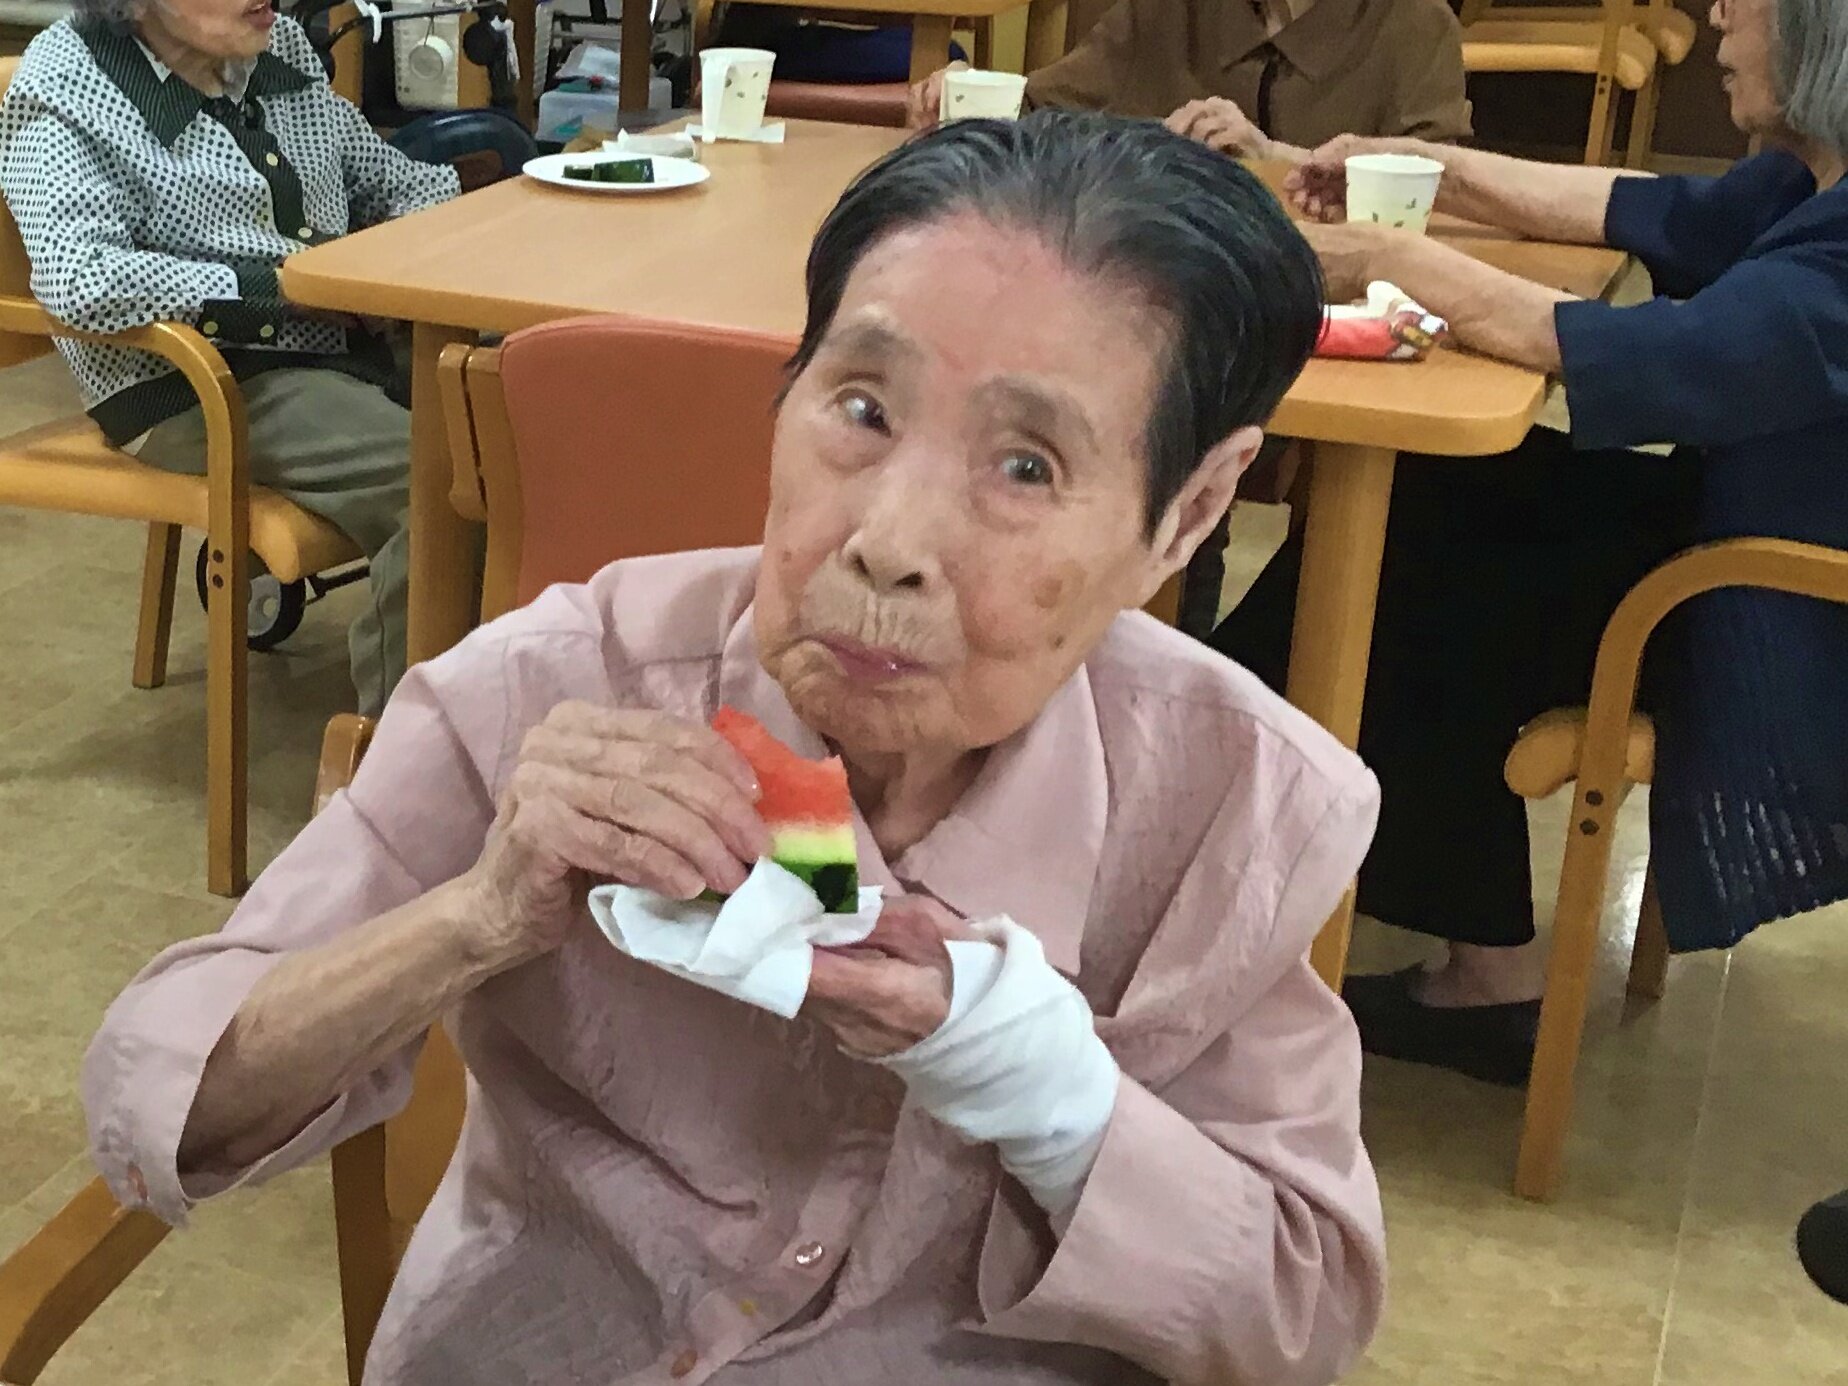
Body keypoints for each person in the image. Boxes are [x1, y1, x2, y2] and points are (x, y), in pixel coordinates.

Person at [82, 114, 1386, 1385]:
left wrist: (1038, 1083)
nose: (887, 542)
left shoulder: (1237, 808)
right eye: (862, 407)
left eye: (1028, 468)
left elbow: (1295, 1328)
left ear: (1189, 515)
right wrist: (473, 918)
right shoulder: (560, 683)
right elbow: (159, 1101)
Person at [1217, 0, 1848, 1084]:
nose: (1719, 15)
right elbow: (1636, 205)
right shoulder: (1810, 184)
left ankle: (1242, 825)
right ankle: (1236, 800)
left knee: (1427, 557)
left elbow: (1623, 349)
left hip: (1774, 623)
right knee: (1439, 494)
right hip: (1734, 543)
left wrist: (1387, 258)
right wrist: (1429, 170)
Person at [0, 0, 458, 716]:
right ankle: (406, 761)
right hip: (198, 382)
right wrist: (279, 292)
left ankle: (510, 710)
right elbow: (78, 278)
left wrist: (439, 234)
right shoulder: (68, 79)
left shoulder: (275, 50)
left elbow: (388, 178)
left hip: (346, 343)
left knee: (526, 411)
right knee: (443, 478)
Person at [905, 0, 1472, 158]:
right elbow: (1043, 108)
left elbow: (1442, 193)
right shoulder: (1167, 8)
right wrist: (965, 96)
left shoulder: (1416, 24)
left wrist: (1274, 158)